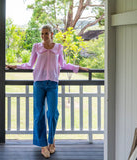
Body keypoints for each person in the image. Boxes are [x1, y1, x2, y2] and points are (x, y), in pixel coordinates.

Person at [6, 24, 89, 158]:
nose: (44, 36)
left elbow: (63, 64)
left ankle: (51, 141)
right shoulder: (36, 47)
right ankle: (43, 146)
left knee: (53, 113)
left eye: (46, 33)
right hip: (39, 83)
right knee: (39, 114)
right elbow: (29, 64)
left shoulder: (58, 47)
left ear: (51, 34)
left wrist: (79, 68)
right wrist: (15, 66)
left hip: (52, 84)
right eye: (42, 34)